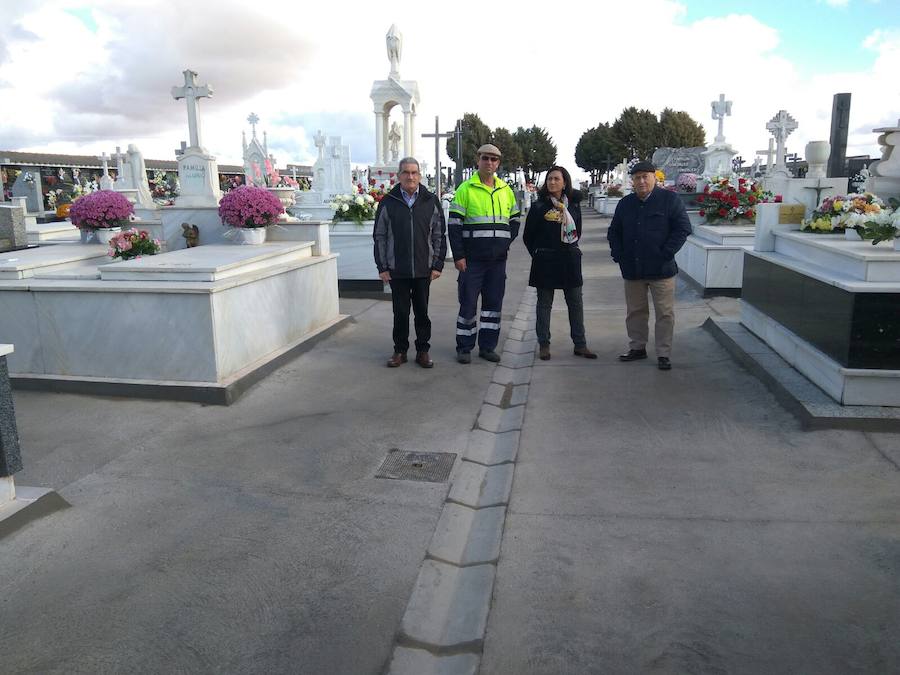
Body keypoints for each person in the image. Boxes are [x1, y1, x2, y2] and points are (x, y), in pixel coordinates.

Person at [607, 160, 691, 370]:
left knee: (664, 313)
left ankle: (663, 353)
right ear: (632, 181)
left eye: (646, 176)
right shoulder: (625, 204)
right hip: (633, 269)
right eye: (637, 177)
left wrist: (666, 253)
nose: (641, 181)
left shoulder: (670, 200)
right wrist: (619, 255)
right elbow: (614, 232)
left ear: (655, 177)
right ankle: (637, 347)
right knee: (635, 311)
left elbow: (682, 229)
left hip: (661, 270)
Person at [448, 144, 521, 364]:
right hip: (472, 261)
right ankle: (464, 347)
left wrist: (504, 243)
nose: (489, 162)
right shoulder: (465, 189)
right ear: (478, 160)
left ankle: (488, 347)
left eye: (494, 159)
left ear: (498, 163)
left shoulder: (505, 190)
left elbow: (515, 220)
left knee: (493, 304)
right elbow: (454, 225)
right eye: (485, 158)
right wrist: (459, 256)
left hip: (497, 261)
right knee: (468, 304)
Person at [373, 157, 447, 368]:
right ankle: (400, 351)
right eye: (406, 172)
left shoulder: (430, 200)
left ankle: (423, 351)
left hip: (424, 269)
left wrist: (437, 264)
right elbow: (380, 235)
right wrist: (383, 267)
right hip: (398, 269)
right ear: (399, 176)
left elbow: (440, 234)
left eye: (414, 172)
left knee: (422, 312)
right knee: (401, 313)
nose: (410, 176)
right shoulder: (389, 201)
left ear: (420, 175)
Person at [523, 165, 596, 361]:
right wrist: (538, 254)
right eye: (549, 179)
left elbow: (577, 232)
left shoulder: (573, 206)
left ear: (565, 183)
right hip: (545, 260)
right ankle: (544, 344)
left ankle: (580, 344)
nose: (552, 182)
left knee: (575, 303)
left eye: (556, 179)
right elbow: (528, 236)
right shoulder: (539, 207)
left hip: (569, 259)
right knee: (544, 304)